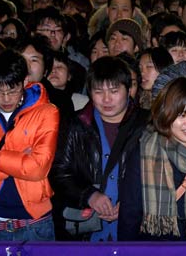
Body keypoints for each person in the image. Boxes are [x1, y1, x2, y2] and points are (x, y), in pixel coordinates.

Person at [51, 57, 149, 241]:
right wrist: (89, 195)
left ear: (129, 90)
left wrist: (133, 202)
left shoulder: (147, 125)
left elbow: (159, 173)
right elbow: (58, 172)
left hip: (136, 227)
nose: (106, 99)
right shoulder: (76, 124)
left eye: (114, 91)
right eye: (98, 91)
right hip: (87, 230)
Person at [119, 76, 186, 240]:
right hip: (157, 248)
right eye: (181, 115)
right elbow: (129, 214)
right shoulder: (145, 151)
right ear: (166, 114)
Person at [0, 51, 60, 241]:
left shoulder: (47, 112)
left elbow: (37, 168)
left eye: (12, 91)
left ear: (25, 82)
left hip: (35, 221)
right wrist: (20, 158)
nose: (6, 98)